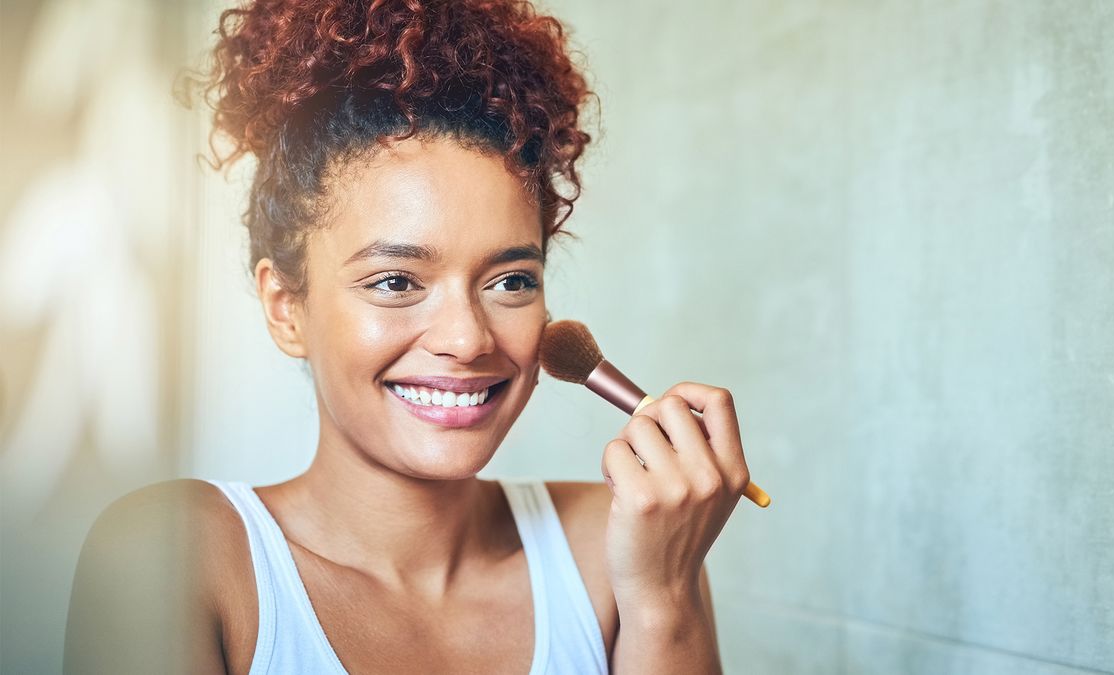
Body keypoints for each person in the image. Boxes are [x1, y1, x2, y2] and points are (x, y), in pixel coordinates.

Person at [64, 0, 751, 672]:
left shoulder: (618, 541)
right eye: (395, 281)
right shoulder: (172, 556)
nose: (467, 338)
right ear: (286, 307)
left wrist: (662, 599)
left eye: (511, 280)